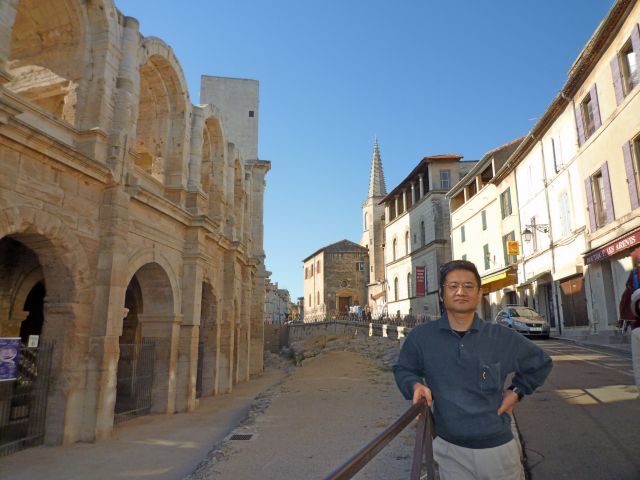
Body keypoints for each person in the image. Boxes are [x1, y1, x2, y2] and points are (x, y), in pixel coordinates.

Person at [393, 260, 553, 480]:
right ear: (441, 294)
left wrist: (516, 391)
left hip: (498, 450)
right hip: (449, 451)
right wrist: (414, 385)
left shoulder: (500, 336)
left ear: (479, 294)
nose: (461, 292)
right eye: (453, 286)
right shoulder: (422, 337)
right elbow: (403, 368)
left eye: (468, 286)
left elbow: (541, 362)